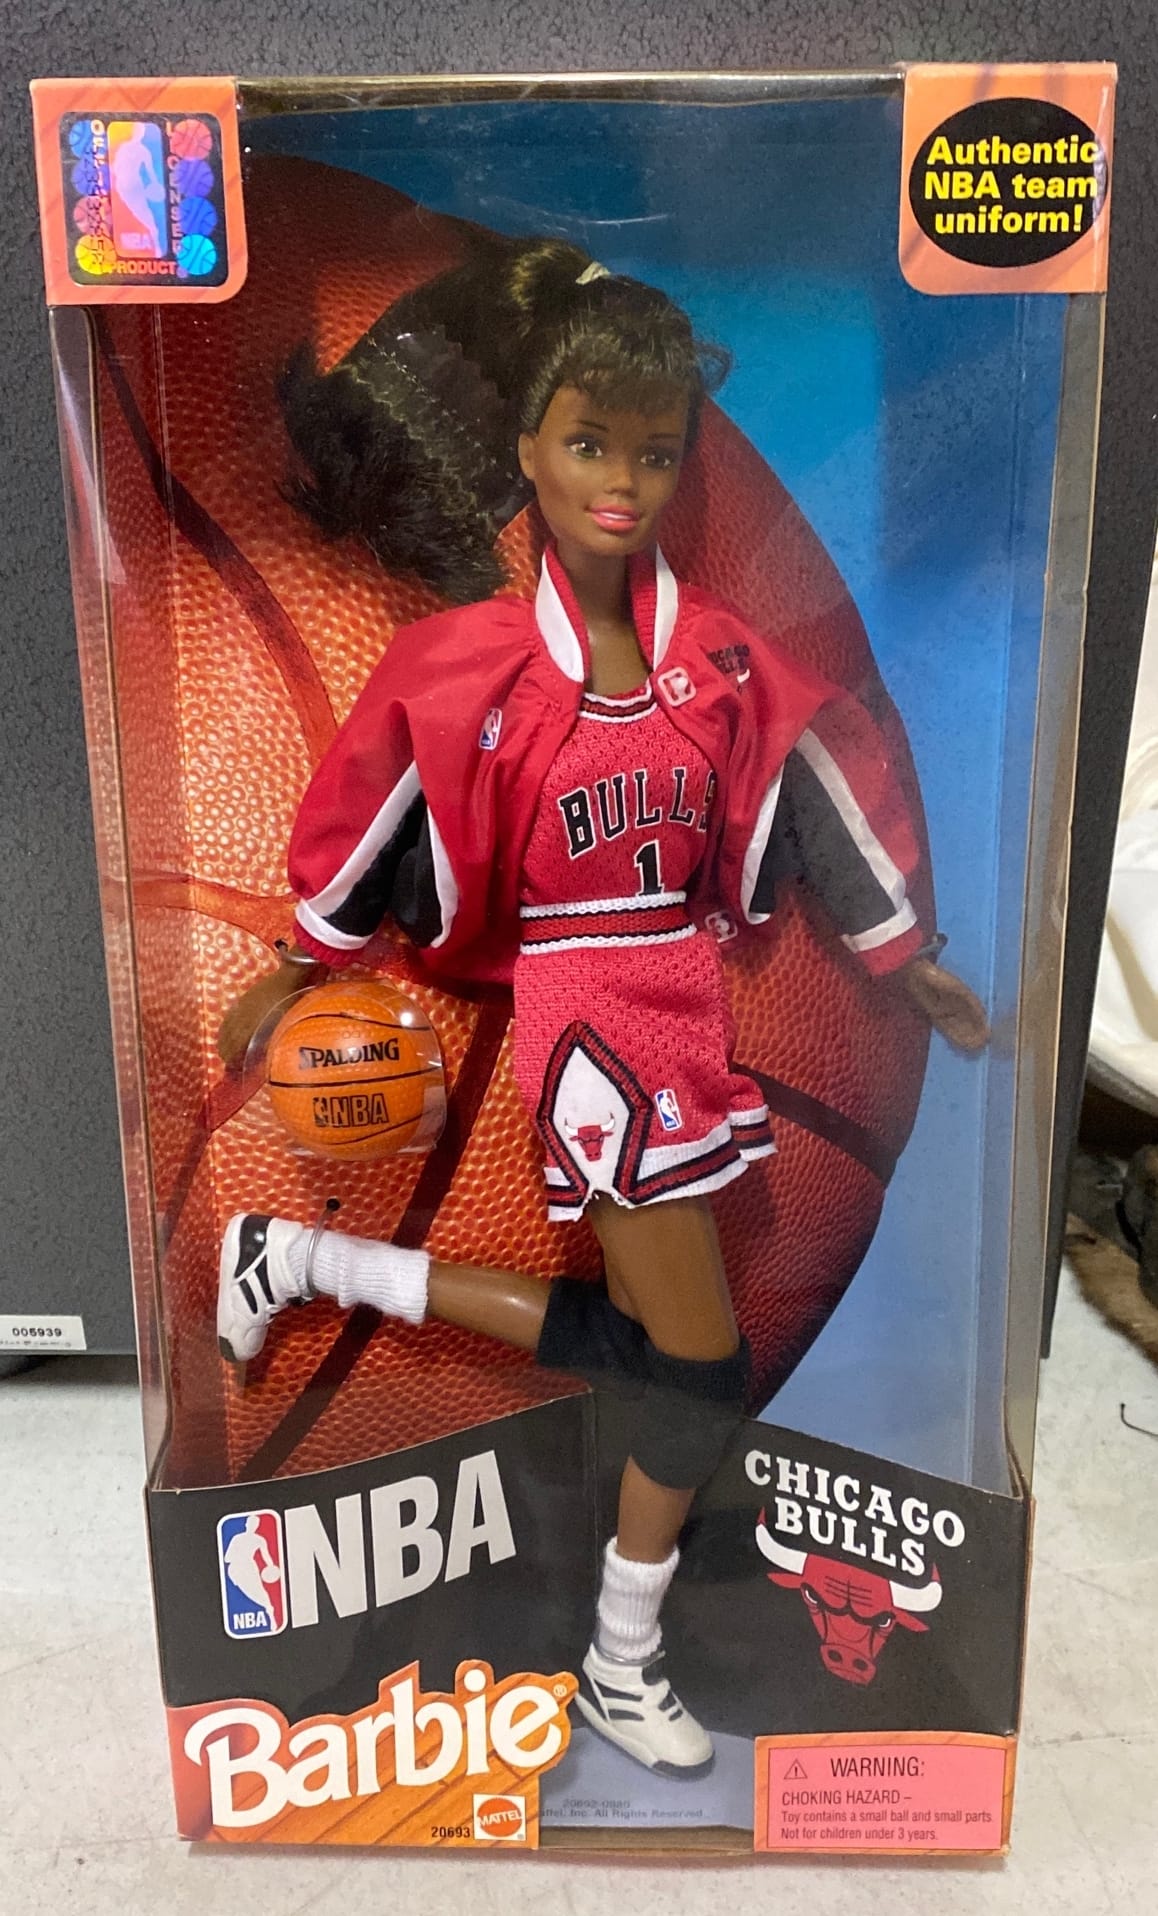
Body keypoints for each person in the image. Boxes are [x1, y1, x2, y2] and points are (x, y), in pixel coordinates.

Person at [215, 237, 988, 1775]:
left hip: (680, 999)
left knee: (640, 1353)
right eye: (587, 444)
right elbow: (370, 795)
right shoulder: (470, 665)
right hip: (586, 1020)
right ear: (526, 449)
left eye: (651, 449)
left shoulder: (714, 659)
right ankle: (619, 1663)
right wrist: (305, 953)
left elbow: (821, 767)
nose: (621, 481)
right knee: (697, 1372)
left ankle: (300, 1259)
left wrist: (901, 949)